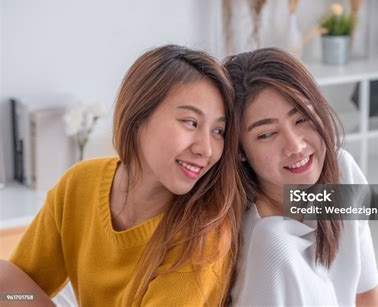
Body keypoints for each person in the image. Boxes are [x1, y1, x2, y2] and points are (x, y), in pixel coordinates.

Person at [0, 45, 245, 306]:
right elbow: (14, 287)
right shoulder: (80, 184)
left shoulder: (201, 239)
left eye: (218, 131)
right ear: (139, 116)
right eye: (191, 122)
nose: (206, 149)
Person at [224, 47, 378, 306]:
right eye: (266, 134)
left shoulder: (343, 170)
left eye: (301, 119)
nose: (295, 146)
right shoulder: (269, 245)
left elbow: (365, 292)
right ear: (240, 150)